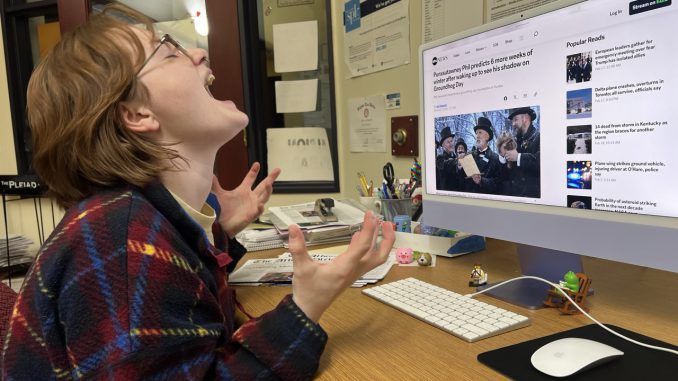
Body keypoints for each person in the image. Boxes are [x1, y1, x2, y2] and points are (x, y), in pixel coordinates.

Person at [1, 5, 395, 380]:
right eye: (169, 53)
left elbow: (183, 334)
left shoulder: (146, 216)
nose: (199, 53)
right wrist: (308, 306)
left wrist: (216, 232)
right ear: (138, 114)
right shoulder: (120, 239)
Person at [500, 107, 541, 198]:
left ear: (525, 118)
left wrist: (518, 157)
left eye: (516, 120)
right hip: (515, 196)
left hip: (532, 198)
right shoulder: (515, 141)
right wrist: (504, 157)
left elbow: (540, 161)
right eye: (512, 121)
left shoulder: (539, 137)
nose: (513, 124)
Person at [464, 117, 500, 194]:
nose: (477, 136)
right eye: (476, 133)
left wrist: (482, 181)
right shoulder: (469, 157)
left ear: (487, 137)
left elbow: (498, 183)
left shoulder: (495, 158)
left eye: (480, 132)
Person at [435, 125, 457, 190]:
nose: (451, 144)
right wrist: (456, 161)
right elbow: (445, 165)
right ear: (443, 145)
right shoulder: (440, 158)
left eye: (451, 141)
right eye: (448, 142)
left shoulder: (455, 156)